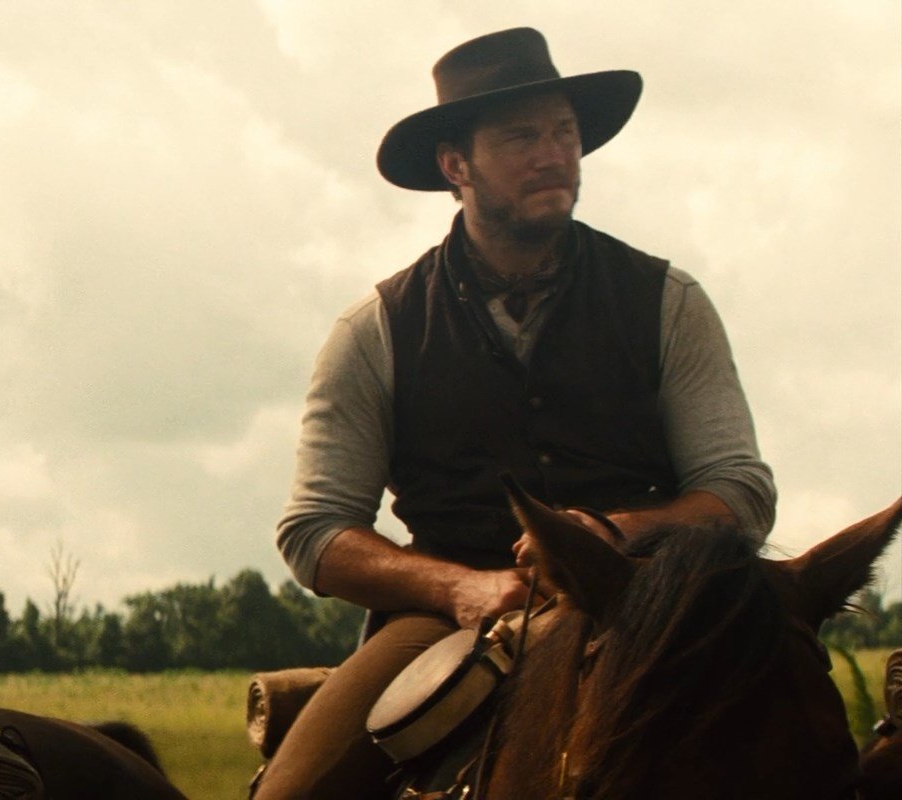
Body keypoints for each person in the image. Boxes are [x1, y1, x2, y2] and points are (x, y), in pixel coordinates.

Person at [257, 28, 775, 799]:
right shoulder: (376, 330)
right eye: (521, 137)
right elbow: (315, 533)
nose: (554, 154)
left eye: (564, 132)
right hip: (449, 624)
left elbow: (740, 492)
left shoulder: (668, 302)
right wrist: (457, 589)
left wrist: (616, 533)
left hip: (654, 608)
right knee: (294, 792)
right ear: (455, 165)